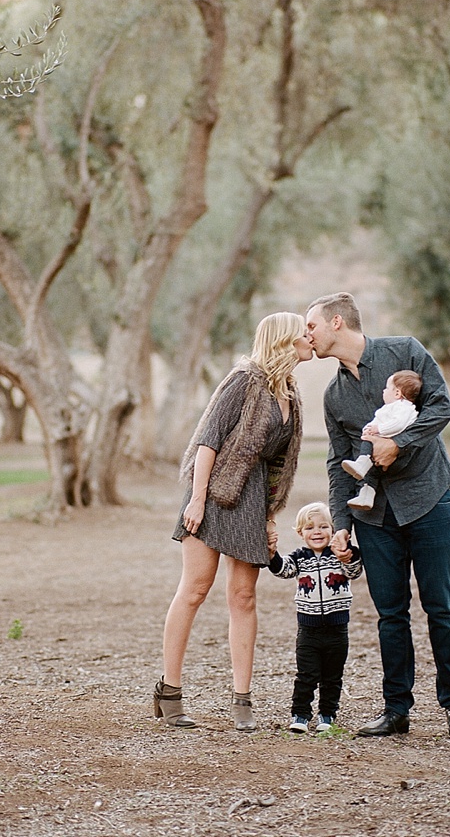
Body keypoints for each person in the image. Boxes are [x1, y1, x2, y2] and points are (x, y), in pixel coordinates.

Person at [305, 292, 450, 741]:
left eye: (312, 327)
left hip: (429, 499)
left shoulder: (406, 351)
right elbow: (338, 461)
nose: (308, 336)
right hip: (375, 519)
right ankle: (397, 709)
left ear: (337, 322)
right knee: (390, 616)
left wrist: (400, 443)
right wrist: (341, 523)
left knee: (441, 607)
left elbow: (441, 407)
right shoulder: (333, 394)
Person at [155, 312, 312, 732]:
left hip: (252, 499)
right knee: (194, 590)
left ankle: (242, 699)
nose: (310, 339)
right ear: (284, 341)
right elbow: (208, 441)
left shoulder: (291, 394)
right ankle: (169, 690)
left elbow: (279, 465)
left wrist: (268, 517)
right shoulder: (243, 380)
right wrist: (198, 500)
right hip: (212, 492)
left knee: (243, 597)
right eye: (304, 333)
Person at [268, 501, 362, 734]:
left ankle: (327, 715)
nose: (317, 532)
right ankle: (300, 714)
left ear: (333, 529)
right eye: (309, 528)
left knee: (332, 676)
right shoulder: (300, 558)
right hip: (308, 630)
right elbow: (283, 570)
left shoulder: (340, 554)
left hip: (337, 628)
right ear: (300, 533)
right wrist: (272, 555)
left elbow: (355, 572)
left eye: (323, 527)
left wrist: (348, 556)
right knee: (306, 675)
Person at [342, 370, 422, 511]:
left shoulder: (403, 407)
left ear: (397, 393)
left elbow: (397, 424)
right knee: (372, 473)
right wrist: (369, 428)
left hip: (386, 440)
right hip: (379, 438)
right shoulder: (392, 407)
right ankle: (366, 495)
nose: (383, 391)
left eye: (387, 388)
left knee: (367, 445)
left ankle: (362, 462)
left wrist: (378, 429)